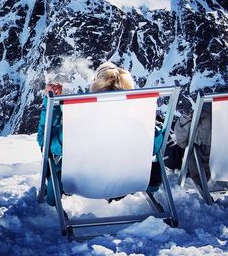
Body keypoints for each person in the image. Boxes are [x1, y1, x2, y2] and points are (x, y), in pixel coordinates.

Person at [37, 62, 164, 206]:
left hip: (82, 185)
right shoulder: (139, 128)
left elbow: (45, 141)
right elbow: (154, 147)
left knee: (51, 157)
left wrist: (51, 105)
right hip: (128, 184)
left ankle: (52, 198)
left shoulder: (78, 128)